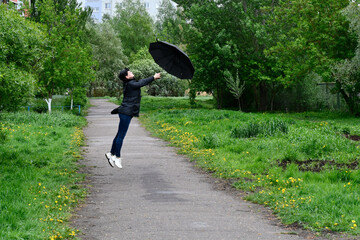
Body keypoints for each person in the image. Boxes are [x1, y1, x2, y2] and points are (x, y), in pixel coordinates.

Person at [105, 68, 161, 168]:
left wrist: (154, 77)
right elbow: (141, 83)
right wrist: (153, 77)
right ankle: (117, 157)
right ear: (127, 76)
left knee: (119, 134)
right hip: (126, 113)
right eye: (129, 72)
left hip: (125, 112)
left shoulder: (130, 83)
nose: (131, 72)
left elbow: (139, 82)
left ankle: (111, 154)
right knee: (121, 136)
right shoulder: (131, 84)